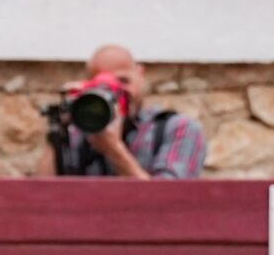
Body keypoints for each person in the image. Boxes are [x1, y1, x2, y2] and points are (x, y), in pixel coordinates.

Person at [37, 44, 206, 179]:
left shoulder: (178, 129)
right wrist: (59, 129)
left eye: (123, 81)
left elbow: (167, 203)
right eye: (103, 87)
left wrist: (113, 150)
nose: (116, 95)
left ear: (140, 74)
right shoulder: (78, 134)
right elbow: (42, 197)